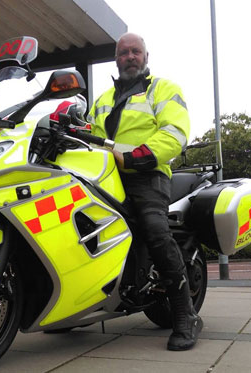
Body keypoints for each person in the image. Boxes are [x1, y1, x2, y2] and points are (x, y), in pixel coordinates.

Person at [87, 32, 203, 351]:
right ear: (116, 59)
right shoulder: (102, 101)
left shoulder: (163, 89)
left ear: (146, 57)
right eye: (124, 52)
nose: (130, 56)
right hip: (105, 176)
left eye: (136, 51)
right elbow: (90, 139)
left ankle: (185, 314)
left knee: (154, 230)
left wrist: (137, 157)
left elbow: (174, 132)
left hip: (148, 174)